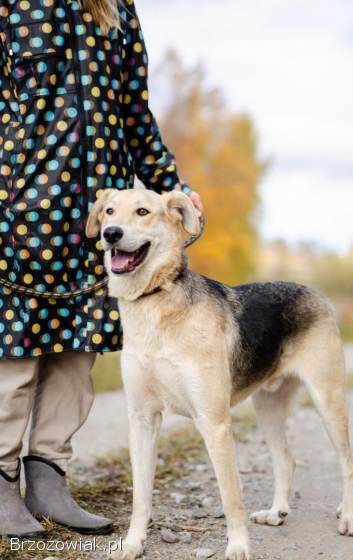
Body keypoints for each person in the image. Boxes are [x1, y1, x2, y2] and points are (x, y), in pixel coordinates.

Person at [0, 0, 203, 538]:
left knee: (77, 345)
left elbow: (135, 110)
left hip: (102, 212)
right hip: (22, 205)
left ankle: (48, 478)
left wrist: (167, 183)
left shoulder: (115, 8)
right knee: (14, 349)